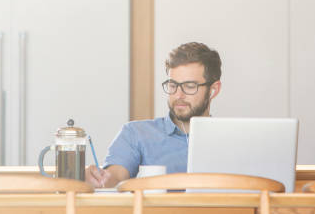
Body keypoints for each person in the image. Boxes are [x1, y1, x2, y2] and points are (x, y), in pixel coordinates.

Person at [85, 42, 222, 188]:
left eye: (189, 86)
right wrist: (99, 179)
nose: (178, 95)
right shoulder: (136, 133)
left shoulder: (229, 139)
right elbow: (115, 176)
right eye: (173, 85)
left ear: (213, 90)